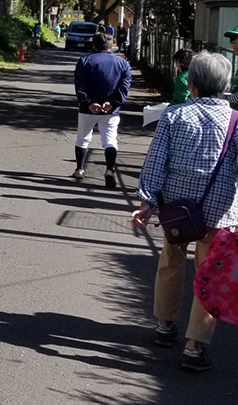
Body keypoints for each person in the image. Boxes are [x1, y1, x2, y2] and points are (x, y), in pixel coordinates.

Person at [132, 52, 238, 373]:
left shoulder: (174, 116)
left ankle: (165, 325)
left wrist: (146, 201)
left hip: (177, 210)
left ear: (190, 85)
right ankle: (195, 347)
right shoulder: (236, 121)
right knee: (210, 275)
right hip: (219, 214)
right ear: (227, 85)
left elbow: (155, 161)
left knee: (170, 262)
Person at [71, 32, 131, 187]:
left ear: (94, 45)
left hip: (87, 109)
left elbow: (80, 85)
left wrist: (89, 102)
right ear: (111, 46)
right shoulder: (123, 64)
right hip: (111, 110)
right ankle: (110, 170)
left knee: (83, 138)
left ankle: (80, 169)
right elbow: (124, 88)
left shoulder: (84, 61)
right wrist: (112, 103)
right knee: (110, 140)